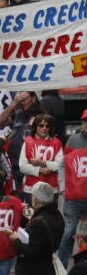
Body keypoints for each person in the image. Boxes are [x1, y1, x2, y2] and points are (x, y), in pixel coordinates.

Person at [7, 181, 64, 275]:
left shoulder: (38, 224)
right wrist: (35, 216)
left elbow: (30, 251)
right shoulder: (58, 216)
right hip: (47, 266)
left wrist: (16, 240)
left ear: (36, 200)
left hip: (33, 270)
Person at [60, 109, 87, 265]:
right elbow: (63, 165)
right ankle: (61, 267)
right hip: (74, 198)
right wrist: (63, 187)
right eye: (85, 121)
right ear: (82, 123)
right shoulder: (72, 141)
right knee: (68, 233)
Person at [18, 113, 62, 204]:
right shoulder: (28, 141)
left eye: (47, 126)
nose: (44, 128)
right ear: (36, 126)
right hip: (31, 189)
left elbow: (60, 165)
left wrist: (43, 163)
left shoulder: (56, 142)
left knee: (50, 217)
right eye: (41, 125)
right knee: (32, 216)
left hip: (51, 189)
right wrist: (41, 170)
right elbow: (22, 166)